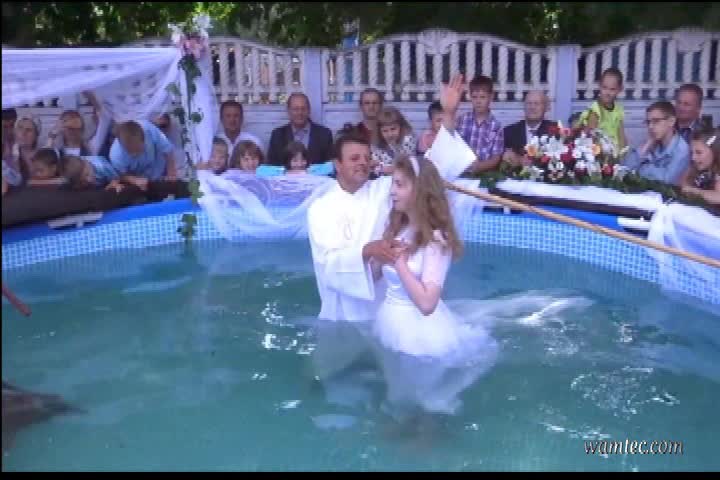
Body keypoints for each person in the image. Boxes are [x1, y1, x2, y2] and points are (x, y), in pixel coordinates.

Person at [306, 73, 476, 325]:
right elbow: (327, 264)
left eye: (366, 158)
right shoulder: (321, 208)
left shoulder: (382, 190)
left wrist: (449, 114)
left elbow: (429, 170)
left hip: (383, 312)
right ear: (337, 164)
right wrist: (367, 251)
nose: (363, 163)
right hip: (342, 313)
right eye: (354, 158)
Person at [370, 154, 498, 417]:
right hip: (390, 322)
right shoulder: (397, 227)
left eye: (400, 185)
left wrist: (400, 264)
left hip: (420, 335)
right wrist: (377, 256)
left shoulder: (437, 240)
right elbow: (375, 277)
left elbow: (428, 303)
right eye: (393, 184)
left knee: (423, 403)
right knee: (397, 396)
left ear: (419, 190)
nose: (392, 191)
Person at [622, 101, 690, 186]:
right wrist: (646, 146)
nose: (650, 126)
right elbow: (624, 169)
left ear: (671, 121)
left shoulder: (682, 150)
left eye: (656, 121)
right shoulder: (652, 142)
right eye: (648, 122)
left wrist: (643, 168)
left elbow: (667, 181)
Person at [267, 93, 334, 167]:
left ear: (309, 110)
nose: (300, 113)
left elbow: (330, 166)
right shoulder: (277, 135)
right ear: (288, 111)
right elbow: (272, 166)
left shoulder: (324, 134)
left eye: (303, 109)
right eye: (295, 109)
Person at [576, 67, 627, 152]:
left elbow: (621, 133)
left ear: (620, 89)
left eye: (612, 89)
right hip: (597, 151)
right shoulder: (596, 110)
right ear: (599, 86)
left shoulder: (618, 109)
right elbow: (591, 134)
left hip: (613, 151)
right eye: (604, 88)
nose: (607, 92)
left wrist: (622, 150)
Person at [680, 128, 720, 205]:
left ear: (714, 151)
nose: (693, 157)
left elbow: (718, 197)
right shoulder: (694, 167)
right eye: (692, 152)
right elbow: (683, 185)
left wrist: (694, 191)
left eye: (698, 152)